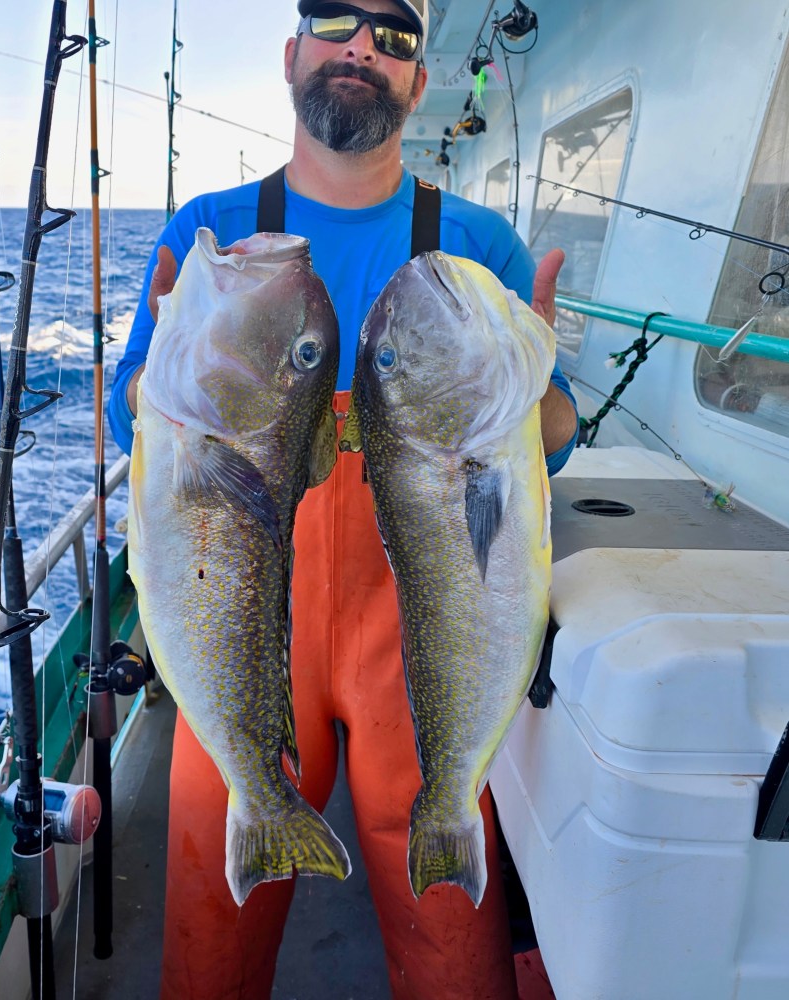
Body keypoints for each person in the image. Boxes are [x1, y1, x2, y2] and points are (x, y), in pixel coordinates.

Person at [108, 2, 579, 996]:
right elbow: (130, 424)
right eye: (333, 20)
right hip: (242, 621)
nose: (361, 45)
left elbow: (553, 441)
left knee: (451, 935)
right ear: (293, 56)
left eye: (395, 34)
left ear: (415, 80)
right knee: (208, 919)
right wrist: (162, 383)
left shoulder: (475, 242)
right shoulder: (210, 232)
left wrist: (524, 385)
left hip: (415, 635)